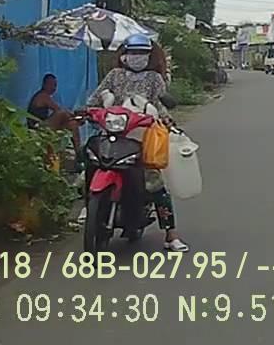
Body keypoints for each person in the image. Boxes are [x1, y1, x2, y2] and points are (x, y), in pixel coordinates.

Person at [87, 34, 189, 252]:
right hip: (115, 133)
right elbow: (94, 100)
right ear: (124, 55)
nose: (137, 57)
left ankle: (171, 235)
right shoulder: (114, 76)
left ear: (149, 56)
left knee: (155, 184)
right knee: (89, 160)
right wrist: (89, 111)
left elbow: (161, 104)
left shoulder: (154, 79)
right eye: (133, 52)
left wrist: (166, 119)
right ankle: (88, 208)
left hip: (142, 136)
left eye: (142, 53)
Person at [27, 73, 82, 161]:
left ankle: (79, 153)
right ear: (44, 85)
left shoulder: (46, 96)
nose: (54, 88)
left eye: (55, 85)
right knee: (61, 113)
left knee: (73, 124)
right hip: (37, 127)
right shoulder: (42, 96)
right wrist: (73, 115)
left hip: (45, 124)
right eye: (51, 85)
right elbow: (58, 109)